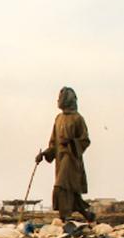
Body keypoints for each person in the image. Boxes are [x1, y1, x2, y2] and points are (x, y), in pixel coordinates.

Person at [35, 87, 93, 222]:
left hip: (72, 158)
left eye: (60, 98)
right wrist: (44, 154)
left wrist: (72, 142)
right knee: (70, 191)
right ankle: (87, 215)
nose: (58, 100)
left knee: (60, 186)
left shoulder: (78, 119)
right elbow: (54, 143)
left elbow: (85, 140)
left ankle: (65, 216)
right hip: (60, 159)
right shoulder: (58, 118)